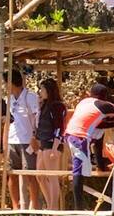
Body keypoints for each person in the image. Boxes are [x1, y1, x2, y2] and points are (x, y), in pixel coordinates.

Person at [64, 83, 114, 209]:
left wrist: (108, 123)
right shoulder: (102, 104)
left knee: (98, 135)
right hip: (79, 137)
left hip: (70, 134)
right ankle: (78, 208)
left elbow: (96, 126)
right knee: (78, 171)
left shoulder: (83, 102)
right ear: (104, 96)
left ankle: (100, 164)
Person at [4, 71, 41, 209]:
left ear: (11, 82)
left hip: (27, 140)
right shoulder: (8, 99)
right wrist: (4, 142)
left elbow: (36, 118)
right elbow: (7, 122)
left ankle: (34, 204)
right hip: (12, 139)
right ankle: (15, 205)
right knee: (12, 174)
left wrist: (34, 137)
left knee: (30, 174)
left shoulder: (30, 97)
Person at [33, 77, 68, 210]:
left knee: (52, 176)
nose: (40, 92)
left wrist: (55, 147)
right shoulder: (44, 105)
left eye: (42, 89)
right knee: (40, 176)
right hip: (43, 143)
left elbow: (60, 127)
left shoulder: (57, 106)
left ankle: (54, 207)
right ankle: (49, 204)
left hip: (52, 143)